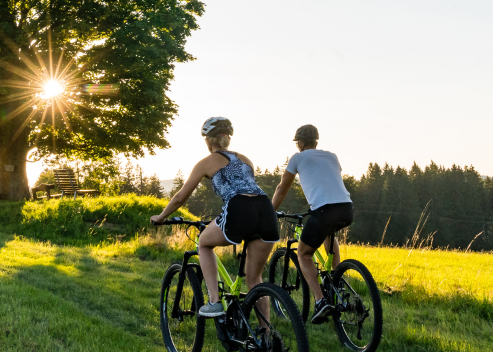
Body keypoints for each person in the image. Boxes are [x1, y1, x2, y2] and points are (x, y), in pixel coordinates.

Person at [151, 117, 280, 318]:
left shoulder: (206, 162)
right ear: (228, 139)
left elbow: (179, 197)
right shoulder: (246, 160)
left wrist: (161, 216)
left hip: (239, 208)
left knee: (203, 243)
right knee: (255, 279)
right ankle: (266, 336)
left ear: (208, 140)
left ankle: (214, 301)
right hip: (266, 209)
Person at [270, 124, 354, 324]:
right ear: (316, 141)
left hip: (323, 210)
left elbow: (282, 188)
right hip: (346, 208)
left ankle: (320, 301)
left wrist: (270, 211)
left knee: (303, 254)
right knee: (328, 233)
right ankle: (337, 280)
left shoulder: (297, 158)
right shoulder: (332, 156)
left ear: (299, 143)